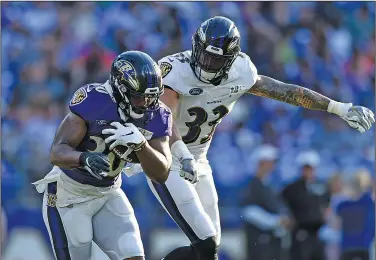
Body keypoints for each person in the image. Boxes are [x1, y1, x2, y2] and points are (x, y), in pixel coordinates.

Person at [146, 16, 374, 260]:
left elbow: (287, 92)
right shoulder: (175, 69)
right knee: (204, 241)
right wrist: (181, 153)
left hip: (199, 159)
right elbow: (164, 118)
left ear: (230, 60)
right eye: (204, 55)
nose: (207, 64)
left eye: (216, 59)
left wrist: (337, 108)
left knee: (210, 248)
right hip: (167, 157)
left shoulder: (240, 72)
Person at [33, 51, 173, 260]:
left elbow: (162, 173)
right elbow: (57, 151)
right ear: (120, 89)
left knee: (133, 255)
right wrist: (84, 158)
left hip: (108, 192)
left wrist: (141, 146)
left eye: (152, 96)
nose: (147, 104)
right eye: (139, 97)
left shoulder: (158, 114)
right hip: (69, 195)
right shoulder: (94, 101)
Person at [241, 145, 293, 260]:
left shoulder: (269, 184)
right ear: (262, 163)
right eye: (271, 162)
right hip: (260, 241)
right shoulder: (253, 184)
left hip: (272, 241)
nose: (273, 165)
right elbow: (249, 212)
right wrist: (276, 221)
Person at [282, 151, 330, 260]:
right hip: (301, 233)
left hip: (318, 233)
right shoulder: (292, 189)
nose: (308, 171)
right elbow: (282, 205)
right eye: (306, 168)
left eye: (311, 168)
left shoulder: (322, 186)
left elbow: (327, 204)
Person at [335, 169, 375, 260]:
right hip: (361, 246)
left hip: (351, 246)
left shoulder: (343, 205)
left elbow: (335, 225)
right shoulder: (368, 203)